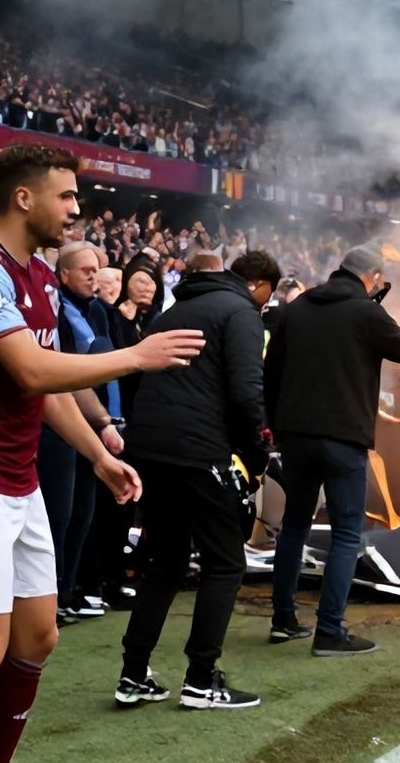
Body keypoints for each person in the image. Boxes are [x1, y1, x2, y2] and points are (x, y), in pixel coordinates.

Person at [0, 143, 203, 763]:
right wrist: (135, 356)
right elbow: (33, 369)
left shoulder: (40, 275)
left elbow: (45, 388)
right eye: (65, 196)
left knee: (37, 640)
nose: (75, 208)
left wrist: (98, 455)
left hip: (18, 478)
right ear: (23, 197)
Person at [118, 250, 282, 710]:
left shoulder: (174, 309)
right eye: (266, 296)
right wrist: (255, 456)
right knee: (225, 562)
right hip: (198, 449)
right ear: (257, 285)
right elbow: (248, 392)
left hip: (150, 447)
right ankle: (201, 679)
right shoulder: (240, 313)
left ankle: (133, 674)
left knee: (164, 562)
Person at [264, 244, 400, 657]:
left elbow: (270, 373)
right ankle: (330, 631)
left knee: (294, 526)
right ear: (373, 277)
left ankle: (283, 619)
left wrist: (277, 427)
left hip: (296, 437)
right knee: (345, 535)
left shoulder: (297, 307)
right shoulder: (366, 311)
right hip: (342, 439)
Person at [39, 240, 126, 626]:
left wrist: (109, 419)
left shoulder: (99, 313)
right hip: (60, 424)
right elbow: (65, 372)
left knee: (84, 514)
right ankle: (50, 595)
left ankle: (70, 590)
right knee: (61, 512)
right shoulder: (55, 310)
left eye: (97, 269)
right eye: (86, 270)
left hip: (96, 420)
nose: (95, 276)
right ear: (64, 274)